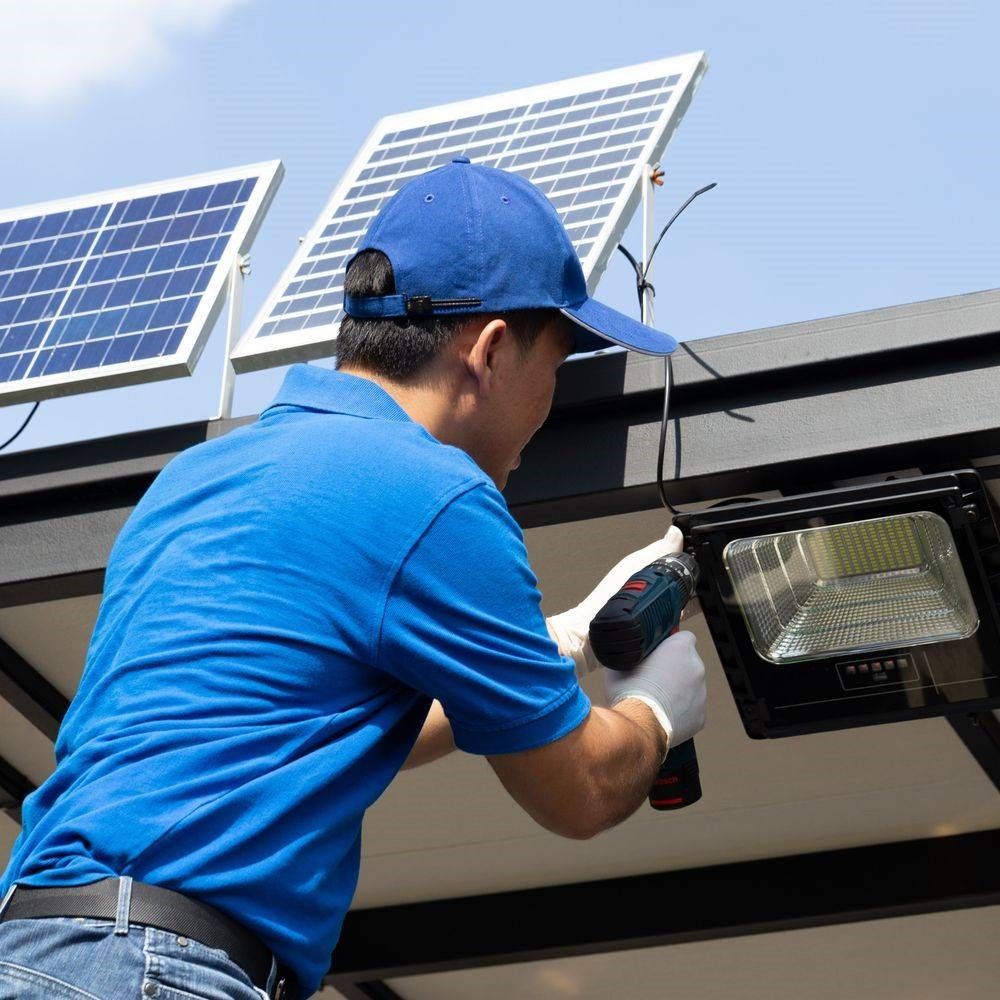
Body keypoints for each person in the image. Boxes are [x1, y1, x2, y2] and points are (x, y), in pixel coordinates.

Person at [0, 157, 707, 1000]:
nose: (555, 401)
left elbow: (322, 725)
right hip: (156, 971)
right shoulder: (436, 498)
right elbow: (582, 791)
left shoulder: (199, 477)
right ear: (487, 352)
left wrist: (568, 643)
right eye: (556, 366)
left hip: (36, 950)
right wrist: (656, 713)